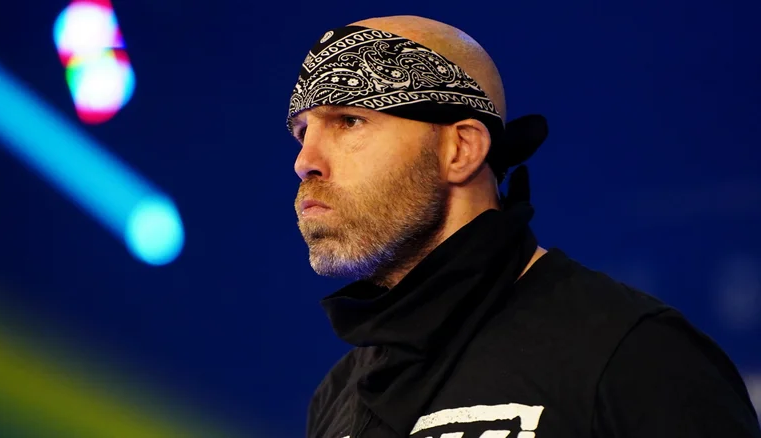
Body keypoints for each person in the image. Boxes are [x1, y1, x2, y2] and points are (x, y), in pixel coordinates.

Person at [286, 15, 761, 438]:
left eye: (349, 121)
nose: (305, 161)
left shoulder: (633, 352)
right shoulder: (338, 395)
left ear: (461, 150)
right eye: (303, 132)